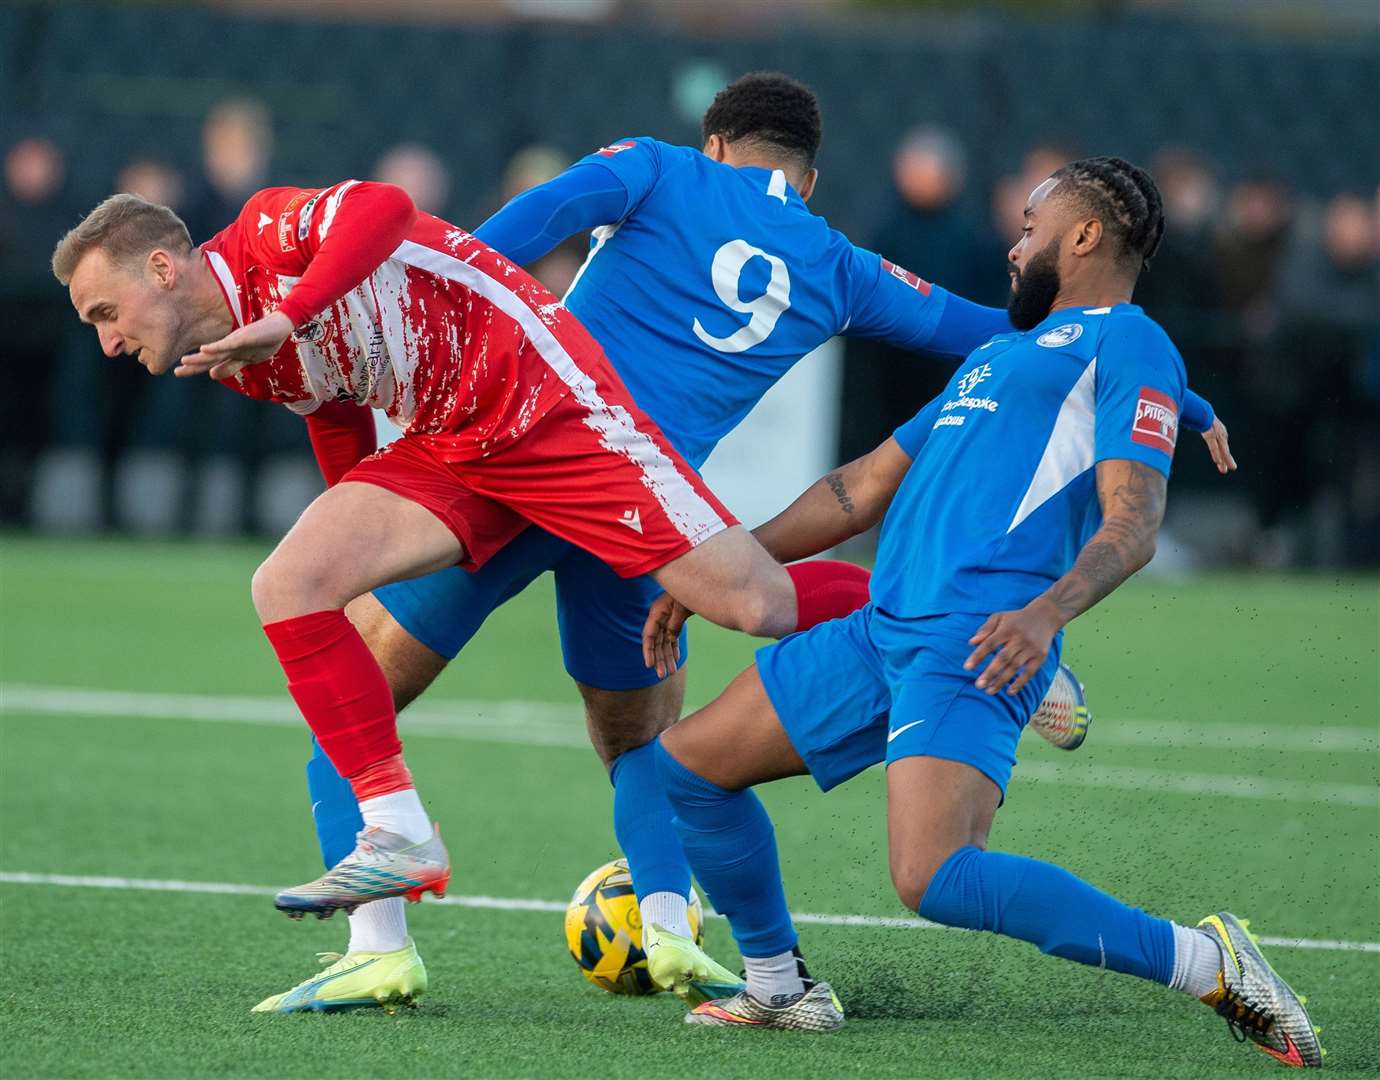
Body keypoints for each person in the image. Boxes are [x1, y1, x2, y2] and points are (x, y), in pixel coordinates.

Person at [289, 74, 1231, 1016]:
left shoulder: (651, 169)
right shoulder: (839, 266)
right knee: (641, 748)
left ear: (714, 143)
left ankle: (379, 948)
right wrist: (1173, 393)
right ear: (809, 180)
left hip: (523, 464)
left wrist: (363, 324)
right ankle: (670, 932)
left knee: (352, 701)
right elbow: (1010, 331)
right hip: (645, 516)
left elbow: (494, 247)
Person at [51, 176, 822, 979]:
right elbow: (335, 407)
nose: (107, 342)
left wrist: (291, 312)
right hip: (455, 449)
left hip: (536, 400)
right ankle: (396, 862)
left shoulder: (266, 231)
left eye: (106, 313)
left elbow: (384, 207)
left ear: (164, 271)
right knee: (294, 588)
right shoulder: (232, 359)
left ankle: (915, 611)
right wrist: (354, 551)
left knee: (754, 603)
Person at [642, 157, 1319, 1071]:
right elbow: (855, 490)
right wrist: (712, 570)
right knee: (685, 773)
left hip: (978, 643)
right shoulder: (1000, 353)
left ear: (1085, 236)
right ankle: (778, 987)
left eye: (1032, 222)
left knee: (934, 877)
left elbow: (1135, 521)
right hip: (881, 633)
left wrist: (1043, 619)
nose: (1014, 241)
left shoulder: (1129, 343)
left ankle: (1206, 960)